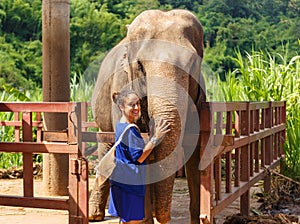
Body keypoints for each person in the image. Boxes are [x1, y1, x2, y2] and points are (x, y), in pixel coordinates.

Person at [109, 89, 170, 224]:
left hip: (120, 180)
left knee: (125, 219)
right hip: (131, 183)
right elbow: (140, 157)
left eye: (138, 104)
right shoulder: (131, 130)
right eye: (132, 105)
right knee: (134, 221)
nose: (137, 108)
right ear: (122, 107)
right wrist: (156, 138)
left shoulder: (120, 125)